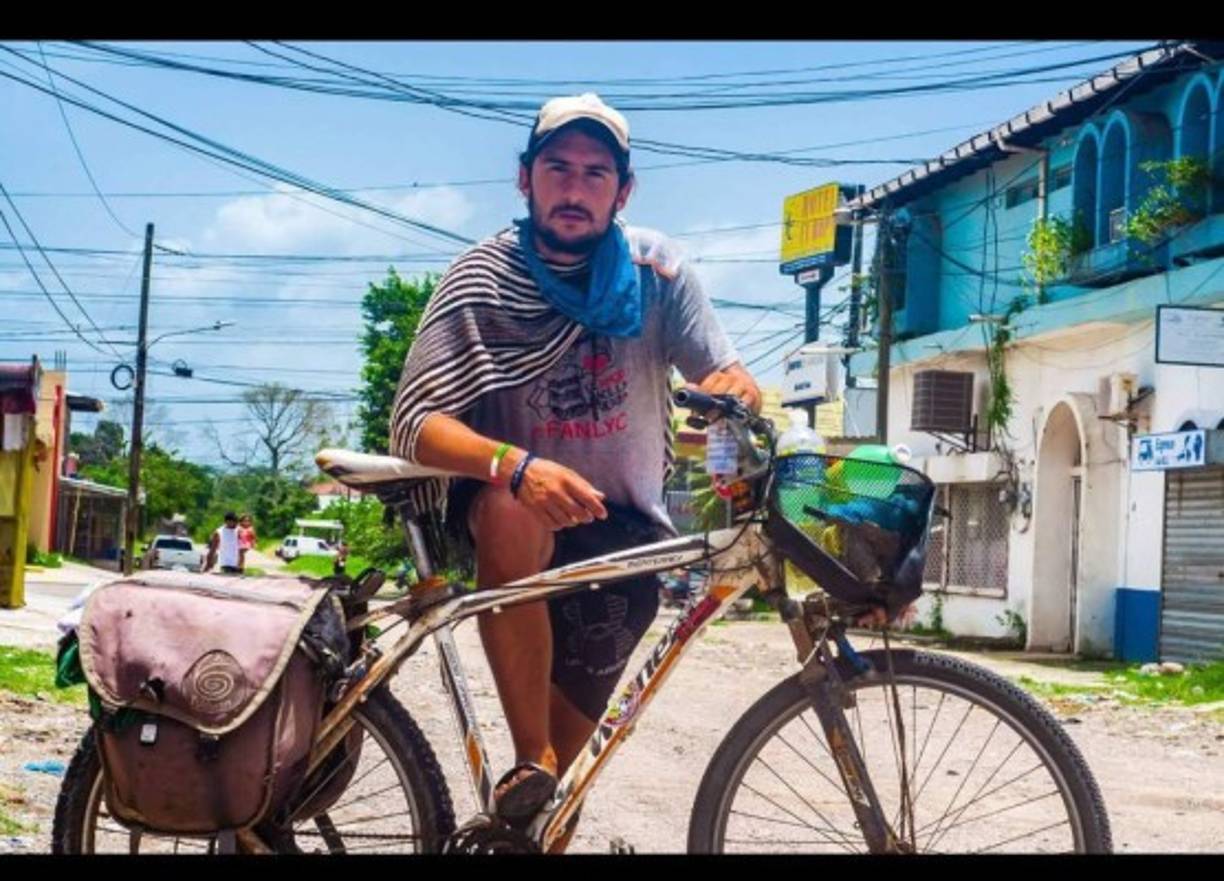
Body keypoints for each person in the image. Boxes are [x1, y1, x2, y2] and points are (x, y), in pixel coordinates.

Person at [389, 92, 761, 849]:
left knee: (555, 806)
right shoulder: (481, 280)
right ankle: (528, 756)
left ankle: (537, 793)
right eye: (558, 167)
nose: (574, 186)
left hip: (623, 543)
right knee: (508, 511)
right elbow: (414, 423)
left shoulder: (657, 273)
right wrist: (516, 466)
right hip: (511, 541)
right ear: (525, 178)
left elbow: (727, 371)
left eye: (596, 173)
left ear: (623, 192)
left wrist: (731, 396)